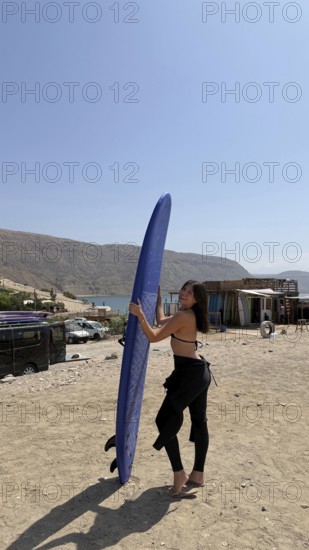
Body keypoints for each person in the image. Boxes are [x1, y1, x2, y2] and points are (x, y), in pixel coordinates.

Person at [129, 280, 212, 497]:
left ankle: (179, 473)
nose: (184, 293)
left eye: (189, 292)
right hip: (196, 371)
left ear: (197, 299)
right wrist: (157, 298)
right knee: (199, 422)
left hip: (190, 374)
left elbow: (154, 336)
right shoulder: (185, 313)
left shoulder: (185, 315)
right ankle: (198, 474)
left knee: (163, 420)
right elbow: (161, 320)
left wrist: (139, 315)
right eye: (183, 289)